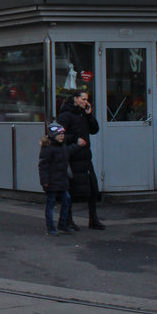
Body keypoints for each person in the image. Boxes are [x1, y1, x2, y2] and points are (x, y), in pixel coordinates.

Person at [57, 91, 103, 230]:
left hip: (85, 157)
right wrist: (75, 140)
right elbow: (59, 136)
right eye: (83, 99)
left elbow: (94, 129)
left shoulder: (83, 114)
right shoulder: (65, 115)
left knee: (92, 189)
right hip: (73, 157)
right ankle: (67, 219)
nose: (85, 102)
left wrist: (90, 115)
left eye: (87, 99)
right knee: (71, 189)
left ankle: (93, 219)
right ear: (75, 99)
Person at [38, 123, 74, 236]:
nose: (62, 136)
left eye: (63, 134)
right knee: (51, 203)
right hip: (52, 181)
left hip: (61, 180)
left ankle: (61, 224)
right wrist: (45, 181)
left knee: (66, 200)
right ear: (53, 135)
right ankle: (51, 227)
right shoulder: (48, 148)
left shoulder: (62, 146)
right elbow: (43, 166)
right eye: (59, 134)